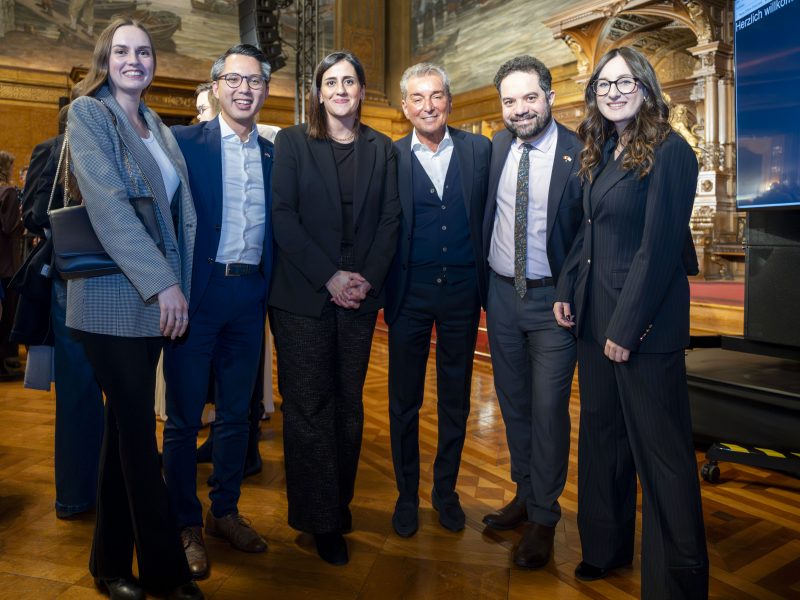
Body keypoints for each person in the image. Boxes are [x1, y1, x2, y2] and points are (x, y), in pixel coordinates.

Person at [553, 47, 708, 598]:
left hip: (642, 327)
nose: (613, 92)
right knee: (603, 441)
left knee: (662, 458)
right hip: (593, 318)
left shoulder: (671, 151)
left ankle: (678, 583)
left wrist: (626, 327)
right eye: (604, 84)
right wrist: (567, 289)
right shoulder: (601, 149)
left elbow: (659, 249)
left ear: (645, 87)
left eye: (625, 82)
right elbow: (588, 231)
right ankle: (604, 548)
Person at [65, 17, 202, 600]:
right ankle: (168, 575)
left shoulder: (156, 125)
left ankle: (109, 565)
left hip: (154, 304)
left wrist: (177, 288)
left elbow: (177, 215)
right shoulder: (89, 113)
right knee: (141, 442)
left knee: (125, 432)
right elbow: (110, 207)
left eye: (143, 52)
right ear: (105, 58)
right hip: (110, 300)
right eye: (122, 50)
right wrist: (164, 284)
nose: (134, 60)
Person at [270, 50, 400, 566]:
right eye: (331, 82)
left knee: (347, 405)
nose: (341, 90)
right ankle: (318, 519)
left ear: (362, 91)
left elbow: (391, 219)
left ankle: (338, 503)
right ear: (318, 93)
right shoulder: (292, 142)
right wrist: (330, 276)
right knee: (309, 406)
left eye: (349, 81)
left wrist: (364, 279)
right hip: (304, 291)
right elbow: (283, 217)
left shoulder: (382, 148)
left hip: (359, 290)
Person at [163, 43, 273, 580]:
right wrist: (166, 285)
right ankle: (184, 523)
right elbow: (158, 217)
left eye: (254, 81)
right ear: (216, 87)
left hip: (250, 298)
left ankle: (224, 511)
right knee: (184, 419)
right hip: (196, 298)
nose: (244, 89)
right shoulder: (184, 143)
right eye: (234, 80)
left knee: (236, 416)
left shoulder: (276, 154)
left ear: (265, 90)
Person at [479, 55, 583, 569]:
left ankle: (544, 515)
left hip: (553, 304)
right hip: (501, 297)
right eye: (510, 100)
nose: (520, 109)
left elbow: (588, 234)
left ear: (550, 97)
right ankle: (524, 493)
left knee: (547, 410)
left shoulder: (580, 153)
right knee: (514, 405)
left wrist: (569, 288)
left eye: (529, 97)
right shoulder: (496, 147)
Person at [384, 62, 490, 538]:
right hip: (408, 294)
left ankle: (445, 492)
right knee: (403, 401)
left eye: (436, 96)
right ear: (405, 107)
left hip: (463, 294)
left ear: (449, 100)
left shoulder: (479, 150)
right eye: (418, 98)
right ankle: (406, 495)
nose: (428, 106)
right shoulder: (389, 157)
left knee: (456, 400)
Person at [21, 107, 104, 520]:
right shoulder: (57, 149)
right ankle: (81, 493)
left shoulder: (57, 147)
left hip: (83, 276)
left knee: (82, 389)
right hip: (83, 279)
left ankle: (84, 492)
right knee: (86, 388)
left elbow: (34, 215)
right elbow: (33, 216)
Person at [0, 150, 23, 381]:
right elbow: (10, 227)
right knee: (8, 316)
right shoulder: (8, 192)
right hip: (7, 263)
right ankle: (5, 363)